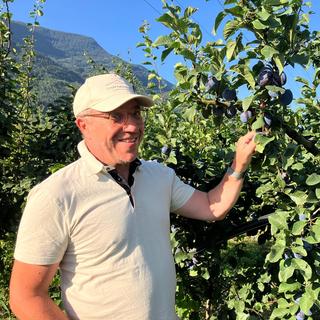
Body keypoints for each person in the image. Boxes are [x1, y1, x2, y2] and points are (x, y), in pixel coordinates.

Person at [9, 73, 256, 320]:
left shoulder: (159, 177)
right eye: (116, 116)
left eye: (136, 113)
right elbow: (26, 297)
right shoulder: (57, 195)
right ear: (83, 124)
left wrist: (238, 164)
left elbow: (212, 206)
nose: (132, 126)